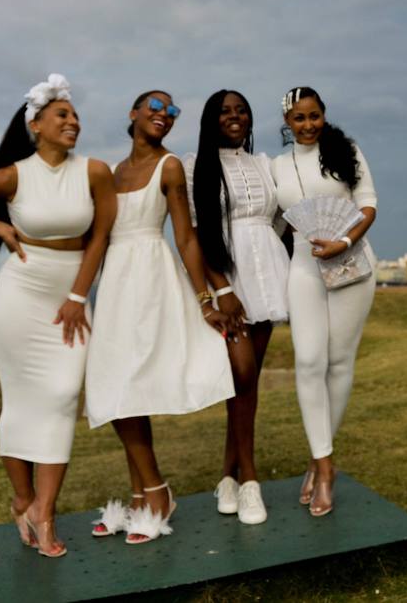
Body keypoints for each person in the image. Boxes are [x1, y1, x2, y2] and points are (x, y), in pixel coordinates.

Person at [0, 74, 115, 558]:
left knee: (62, 396)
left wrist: (79, 296)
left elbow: (99, 238)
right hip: (19, 294)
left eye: (76, 116)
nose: (73, 122)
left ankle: (45, 508)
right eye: (62, 115)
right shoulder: (15, 174)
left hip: (71, 295)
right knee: (19, 402)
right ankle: (24, 499)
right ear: (36, 124)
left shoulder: (95, 171)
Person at [84, 90, 235, 544]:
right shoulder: (111, 173)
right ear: (132, 113)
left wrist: (206, 298)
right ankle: (142, 494)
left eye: (172, 111)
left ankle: (153, 493)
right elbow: (97, 236)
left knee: (131, 386)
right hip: (115, 284)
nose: (164, 115)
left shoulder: (170, 167)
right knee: (115, 385)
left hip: (150, 279)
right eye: (155, 106)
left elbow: (186, 237)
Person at [184, 89, 290, 526]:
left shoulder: (264, 165)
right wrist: (220, 289)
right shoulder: (195, 166)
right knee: (241, 374)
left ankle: (228, 477)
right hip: (229, 279)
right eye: (225, 111)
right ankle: (249, 480)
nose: (235, 117)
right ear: (211, 119)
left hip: (269, 275)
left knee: (248, 385)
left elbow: (281, 220)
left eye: (241, 110)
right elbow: (196, 233)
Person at [269, 87, 377, 517]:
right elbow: (271, 220)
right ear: (287, 122)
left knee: (339, 363)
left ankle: (320, 463)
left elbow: (368, 204)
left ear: (324, 115)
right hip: (302, 267)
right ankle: (325, 463)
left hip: (352, 261)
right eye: (299, 118)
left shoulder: (346, 151)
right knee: (309, 362)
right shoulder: (277, 166)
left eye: (314, 116)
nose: (308, 124)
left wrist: (345, 239)